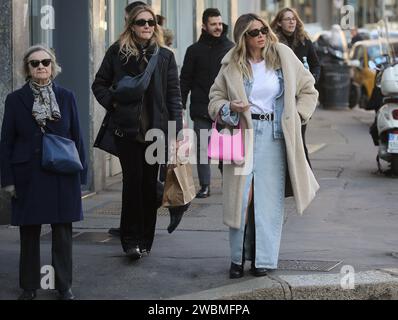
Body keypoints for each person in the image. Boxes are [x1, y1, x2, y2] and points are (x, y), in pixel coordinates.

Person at [208, 13, 319, 279]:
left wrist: (298, 116)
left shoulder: (282, 55)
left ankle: (264, 259)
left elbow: (309, 90)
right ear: (243, 38)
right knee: (241, 199)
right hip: (243, 134)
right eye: (254, 32)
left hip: (274, 135)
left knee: (268, 200)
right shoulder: (232, 65)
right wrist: (228, 108)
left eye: (263, 30)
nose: (261, 35)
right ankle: (237, 259)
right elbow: (214, 100)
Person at [92, 5, 182, 260]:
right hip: (127, 132)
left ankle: (145, 240)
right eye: (141, 22)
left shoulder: (164, 57)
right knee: (132, 184)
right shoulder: (117, 53)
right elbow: (98, 83)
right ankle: (130, 240)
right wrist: (113, 103)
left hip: (156, 134)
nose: (147, 27)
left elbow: (174, 97)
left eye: (151, 23)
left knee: (148, 186)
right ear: (131, 25)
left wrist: (176, 133)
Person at [0, 45, 87, 300]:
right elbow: (6, 142)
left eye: (45, 62)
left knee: (62, 232)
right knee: (29, 232)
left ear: (53, 66)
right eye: (34, 63)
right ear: (27, 69)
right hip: (28, 175)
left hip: (62, 174)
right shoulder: (15, 100)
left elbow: (77, 138)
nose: (41, 66)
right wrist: (7, 180)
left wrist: (81, 177)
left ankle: (63, 286)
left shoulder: (67, 96)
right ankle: (29, 287)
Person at [180, 8, 234, 198]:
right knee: (203, 148)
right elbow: (185, 79)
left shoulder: (231, 48)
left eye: (220, 23)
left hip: (225, 108)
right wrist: (180, 104)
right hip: (201, 107)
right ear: (204, 26)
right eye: (213, 24)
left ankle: (228, 182)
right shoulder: (193, 51)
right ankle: (205, 185)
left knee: (224, 149)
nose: (218, 27)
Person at [271, 8, 320, 168]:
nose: (292, 22)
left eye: (294, 19)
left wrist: (311, 81)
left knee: (299, 137)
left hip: (300, 98)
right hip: (280, 97)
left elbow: (316, 64)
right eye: (287, 19)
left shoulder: (304, 41)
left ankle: (305, 177)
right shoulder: (273, 43)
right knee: (282, 139)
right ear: (279, 22)